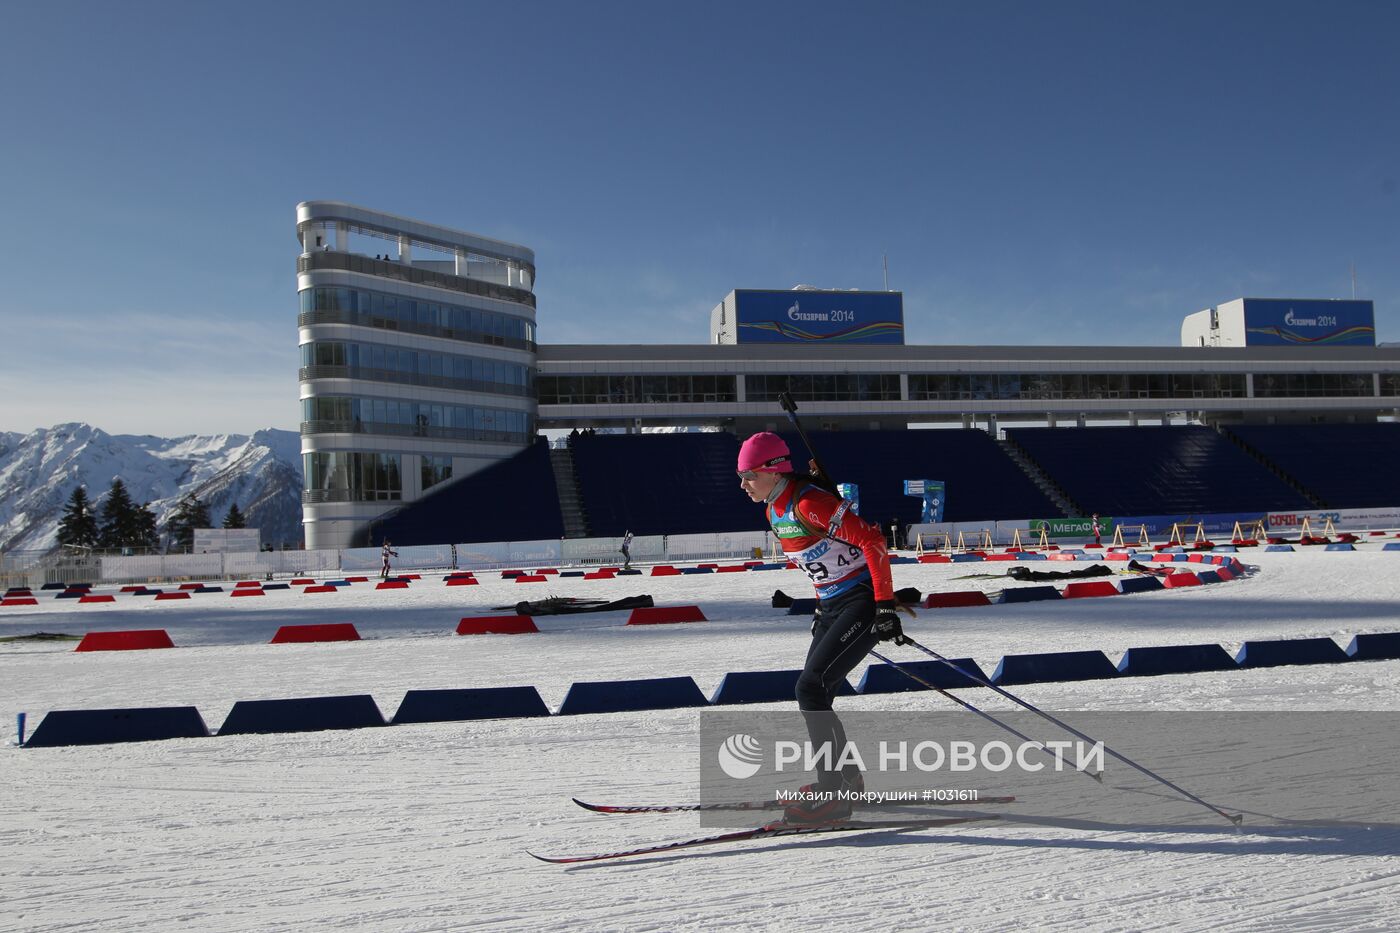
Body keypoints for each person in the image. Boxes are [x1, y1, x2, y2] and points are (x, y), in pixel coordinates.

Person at [736, 432, 911, 824]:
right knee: (819, 691)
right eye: (741, 476)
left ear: (772, 469)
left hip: (862, 600)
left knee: (809, 688)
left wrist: (884, 605)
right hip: (832, 604)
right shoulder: (773, 510)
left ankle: (832, 795)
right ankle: (845, 779)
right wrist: (822, 605)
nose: (743, 485)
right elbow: (826, 562)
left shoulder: (809, 502)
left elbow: (872, 541)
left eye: (748, 475)